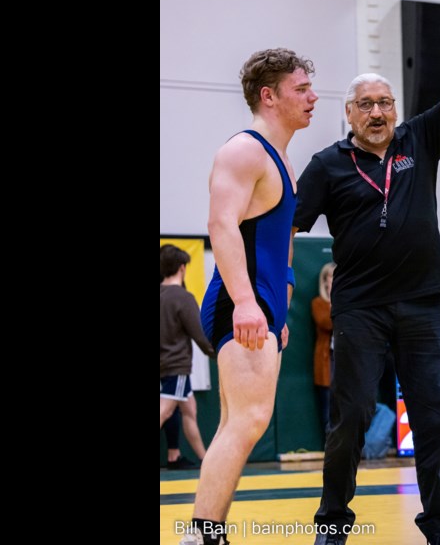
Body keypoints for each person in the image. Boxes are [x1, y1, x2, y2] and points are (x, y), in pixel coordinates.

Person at [292, 0, 440, 545]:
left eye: (384, 102)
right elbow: (291, 225)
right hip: (360, 309)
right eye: (365, 105)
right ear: (348, 113)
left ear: (394, 108)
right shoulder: (327, 165)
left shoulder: (418, 140)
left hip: (425, 305)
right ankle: (332, 522)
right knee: (348, 420)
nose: (377, 112)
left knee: (431, 419)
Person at [182, 48, 318, 545]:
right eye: (301, 89)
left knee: (246, 422)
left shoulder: (279, 158)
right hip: (239, 301)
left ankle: (208, 533)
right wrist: (245, 302)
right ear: (269, 96)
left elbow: (280, 240)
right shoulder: (245, 150)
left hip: (262, 302)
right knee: (245, 420)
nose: (313, 97)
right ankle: (201, 535)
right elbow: (221, 224)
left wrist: (278, 300)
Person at [160, 244, 216, 469]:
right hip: (175, 366)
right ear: (182, 268)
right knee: (164, 410)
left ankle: (205, 460)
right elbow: (201, 335)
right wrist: (218, 353)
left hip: (166, 365)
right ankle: (207, 460)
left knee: (189, 409)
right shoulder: (182, 297)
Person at [312, 262, 336, 448]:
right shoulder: (319, 303)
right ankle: (330, 447)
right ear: (325, 281)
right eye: (331, 277)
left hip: (346, 359)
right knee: (327, 409)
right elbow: (327, 323)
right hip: (328, 360)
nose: (334, 280)